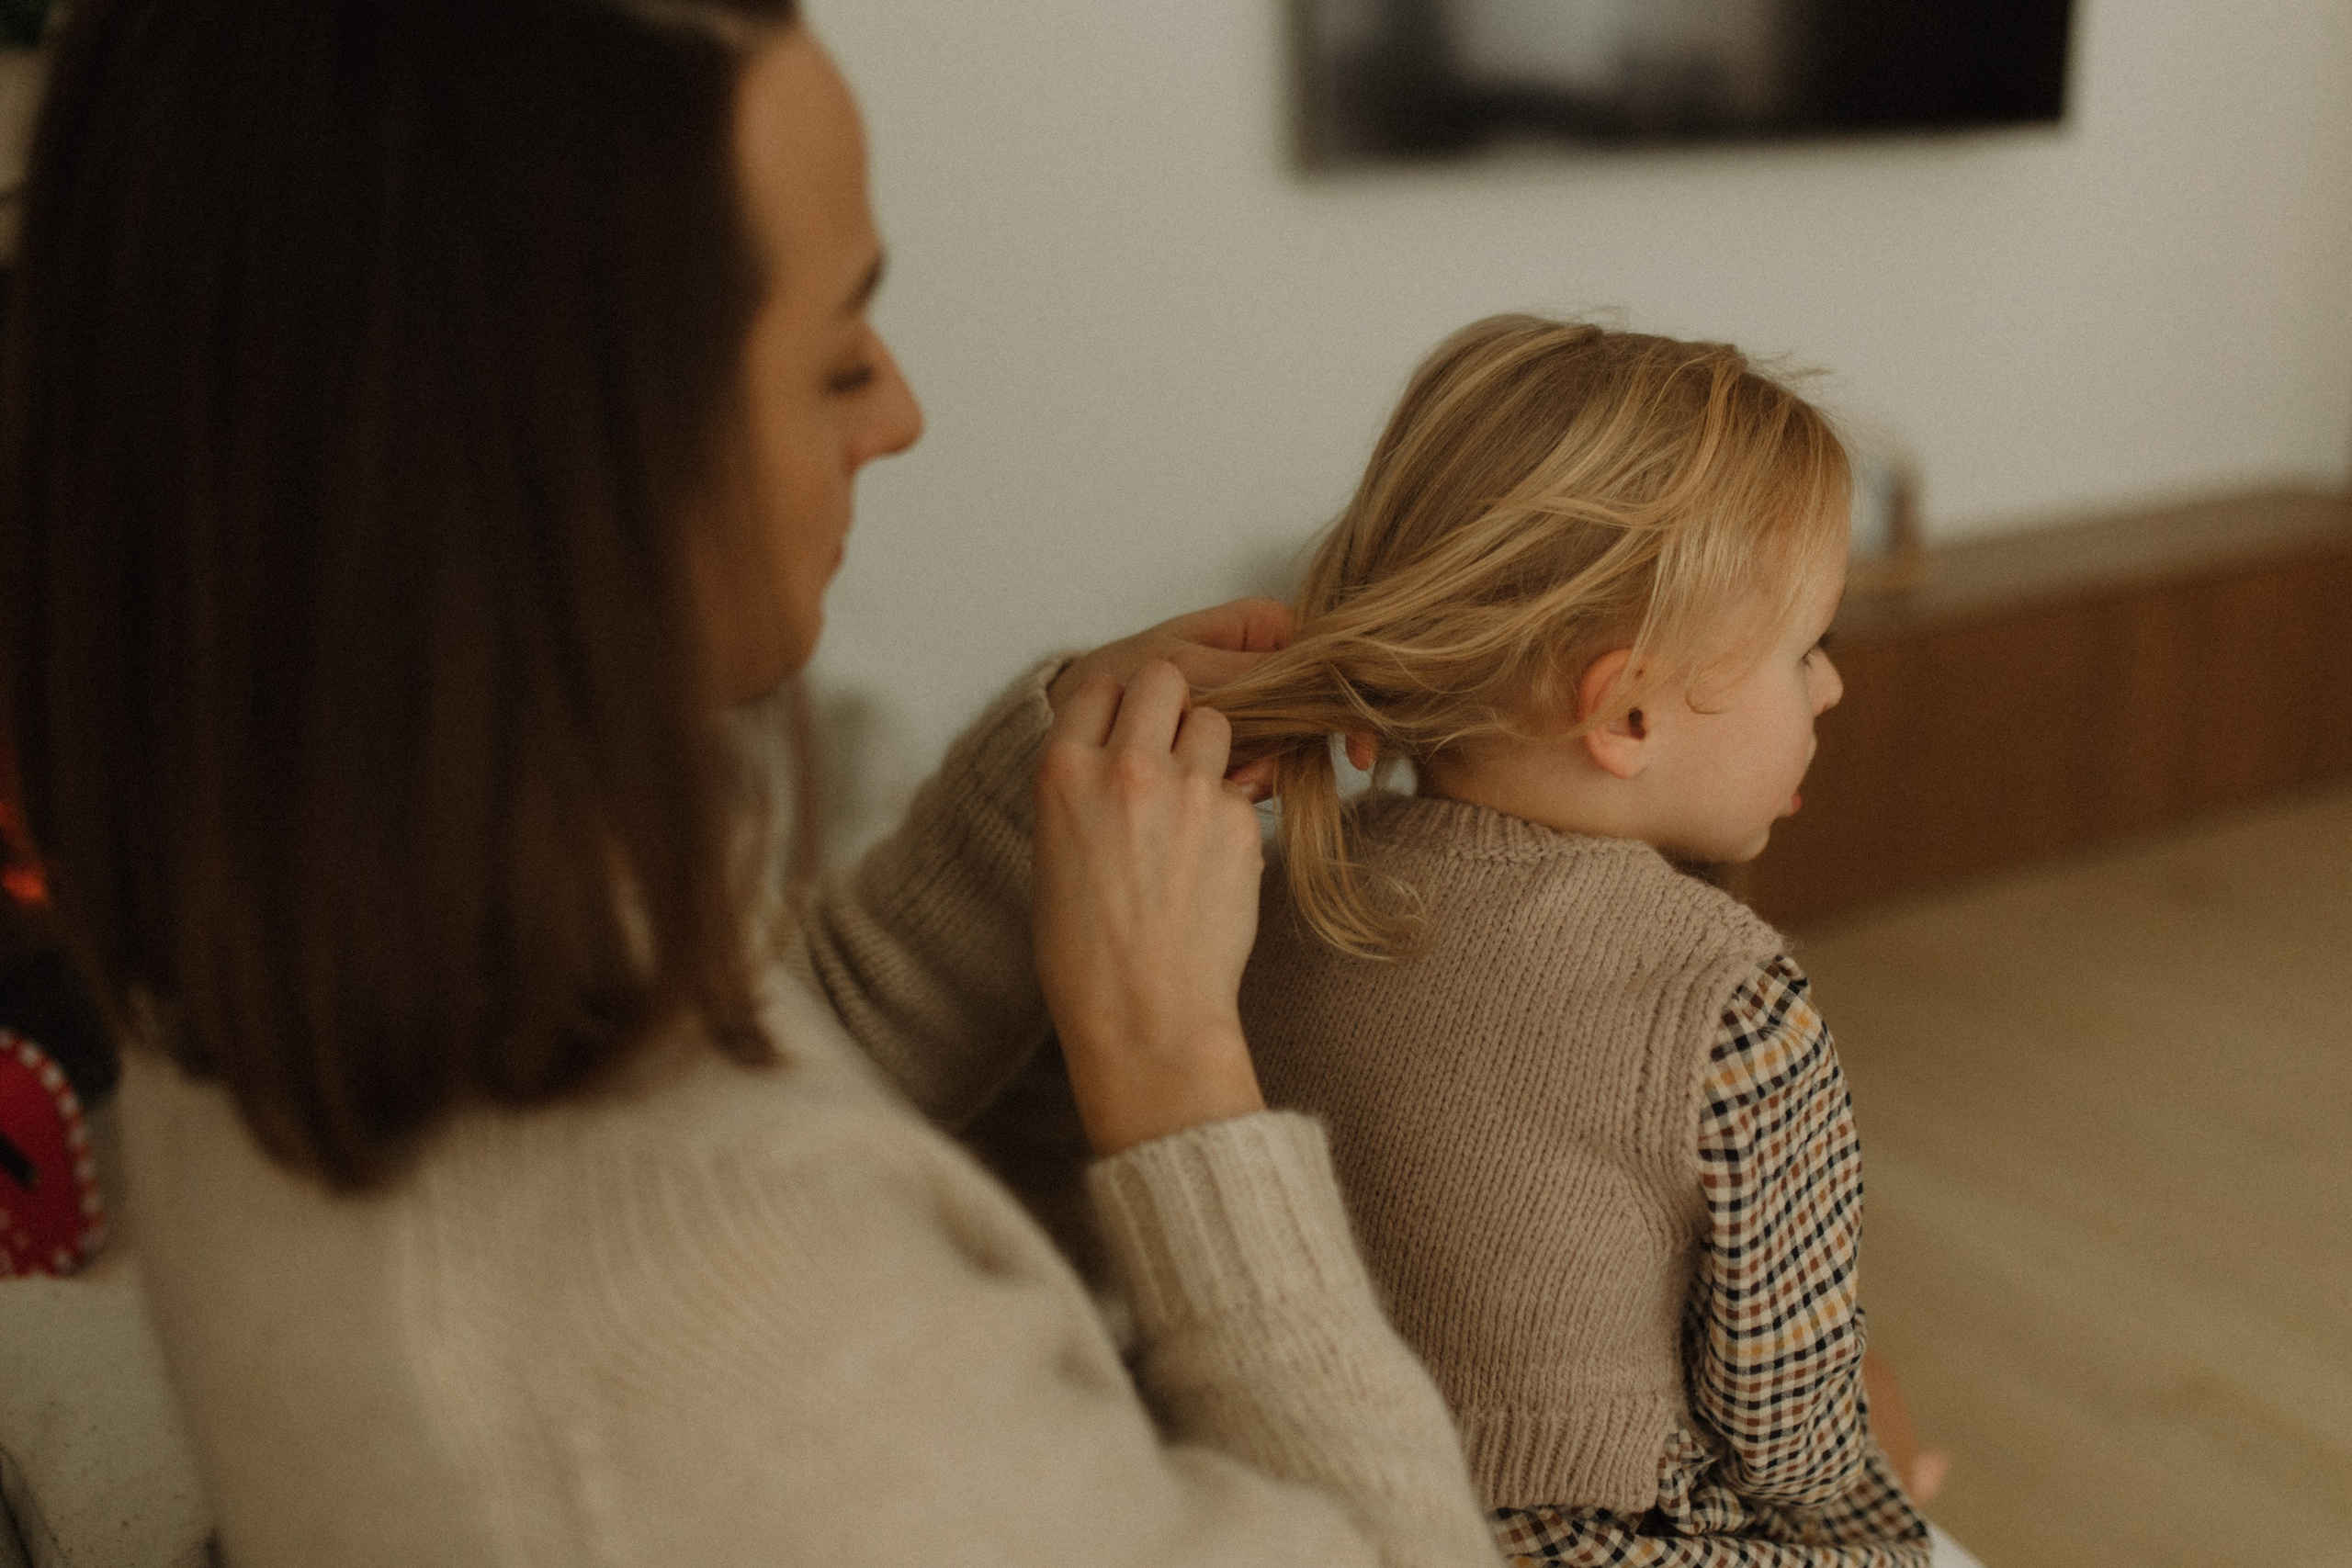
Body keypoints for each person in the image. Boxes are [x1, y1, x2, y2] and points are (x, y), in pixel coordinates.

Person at [0, 2, 1504, 1562]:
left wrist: (1024, 831)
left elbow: (762, 1076)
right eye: (840, 355)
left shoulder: (276, 922)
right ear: (563, 452)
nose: (902, 415)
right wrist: (1175, 1076)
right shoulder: (694, 1326)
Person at [1204, 317, 1975, 1566]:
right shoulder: (1726, 1001)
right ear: (1624, 710)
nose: (1830, 690)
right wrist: (1880, 1500)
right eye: (1806, 651)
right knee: (1869, 1411)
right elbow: (1785, 1436)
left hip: (1314, 1495)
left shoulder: (1282, 886)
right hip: (1583, 1544)